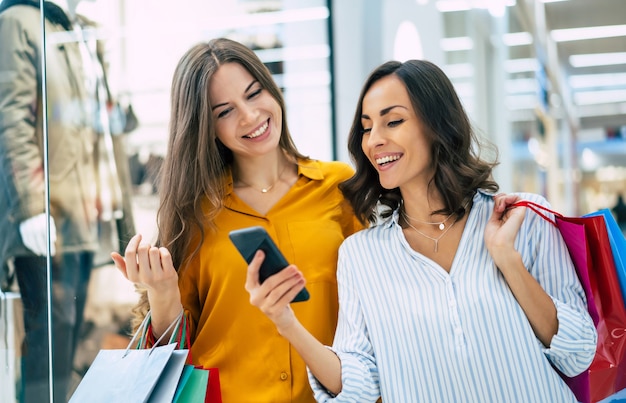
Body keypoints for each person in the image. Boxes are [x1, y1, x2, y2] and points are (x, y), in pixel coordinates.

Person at [246, 59, 598, 402]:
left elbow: (579, 352)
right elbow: (360, 387)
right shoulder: (361, 255)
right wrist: (286, 321)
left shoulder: (522, 218)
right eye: (367, 128)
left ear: (438, 125)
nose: (374, 141)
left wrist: (508, 260)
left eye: (393, 121)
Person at [110, 38, 362, 403]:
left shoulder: (339, 187)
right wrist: (161, 292)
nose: (249, 116)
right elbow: (171, 352)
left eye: (254, 93)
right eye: (224, 111)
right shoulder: (194, 214)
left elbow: (373, 311)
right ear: (206, 127)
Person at [0, 0, 135, 401]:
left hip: (84, 214)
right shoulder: (19, 23)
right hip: (48, 215)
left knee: (69, 343)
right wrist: (30, 206)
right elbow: (11, 119)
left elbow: (101, 131)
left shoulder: (79, 30)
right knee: (48, 349)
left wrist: (122, 218)